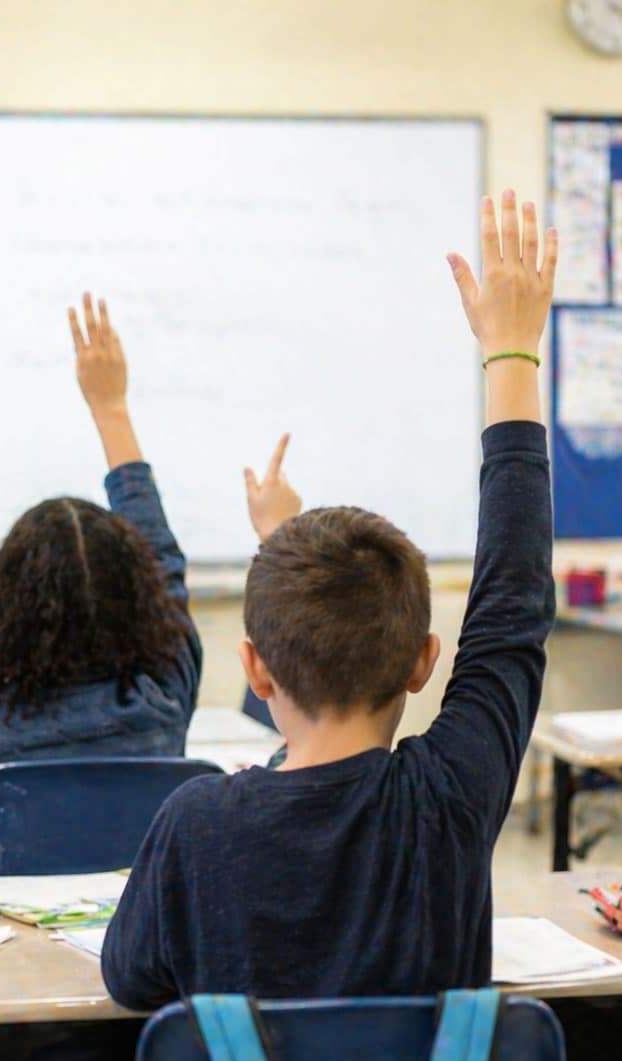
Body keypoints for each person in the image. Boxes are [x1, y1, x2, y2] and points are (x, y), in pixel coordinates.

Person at [102, 190, 558, 1008]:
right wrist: (512, 354)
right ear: (425, 662)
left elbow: (133, 983)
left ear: (257, 669)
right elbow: (513, 602)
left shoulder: (197, 824)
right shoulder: (451, 799)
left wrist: (279, 549)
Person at [0, 295, 202, 889]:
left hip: (4, 975)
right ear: (136, 602)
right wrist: (111, 410)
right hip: (138, 970)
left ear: (6, 610)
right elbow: (165, 562)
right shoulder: (163, 699)